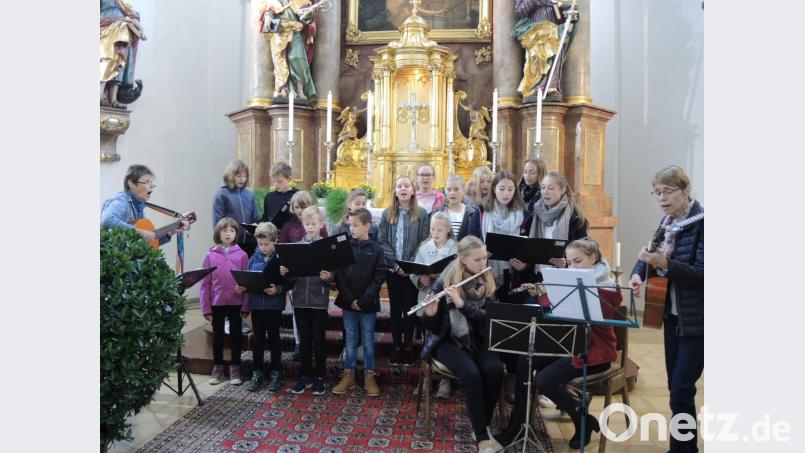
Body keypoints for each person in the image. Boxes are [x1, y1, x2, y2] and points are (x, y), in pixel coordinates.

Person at [498, 237, 622, 449]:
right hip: (571, 345)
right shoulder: (575, 280)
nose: (572, 267)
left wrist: (547, 295)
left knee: (546, 380)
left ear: (593, 258)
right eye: (570, 262)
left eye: (578, 261)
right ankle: (518, 423)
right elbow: (558, 315)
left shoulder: (607, 288)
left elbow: (574, 315)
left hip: (595, 353)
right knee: (524, 359)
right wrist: (541, 294)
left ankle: (582, 420)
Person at [629, 166, 703, 453]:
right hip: (673, 318)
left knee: (682, 388)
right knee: (677, 389)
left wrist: (665, 264)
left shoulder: (703, 223)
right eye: (657, 192)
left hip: (699, 319)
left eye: (668, 191)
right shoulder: (668, 222)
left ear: (686, 191)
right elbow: (651, 252)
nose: (661, 197)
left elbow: (703, 274)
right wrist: (639, 273)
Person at [420, 236, 505, 453]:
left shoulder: (487, 279)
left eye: (485, 258)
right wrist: (429, 313)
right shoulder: (445, 280)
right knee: (471, 374)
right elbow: (432, 324)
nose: (483, 264)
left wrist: (462, 305)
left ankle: (482, 425)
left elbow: (489, 318)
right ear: (462, 259)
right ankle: (483, 439)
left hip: (480, 337)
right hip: (448, 340)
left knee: (495, 369)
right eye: (478, 260)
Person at [332, 208, 387, 397]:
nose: (351, 228)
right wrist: (350, 299)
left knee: (368, 340)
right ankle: (349, 375)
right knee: (351, 339)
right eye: (349, 225)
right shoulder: (345, 246)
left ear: (367, 226)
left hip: (368, 303)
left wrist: (363, 300)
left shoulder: (377, 249)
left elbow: (380, 276)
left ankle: (369, 375)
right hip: (348, 302)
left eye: (355, 225)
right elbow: (339, 273)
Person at [378, 175, 430, 366]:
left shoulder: (422, 214)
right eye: (399, 186)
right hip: (393, 271)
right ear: (395, 191)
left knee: (409, 309)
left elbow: (424, 240)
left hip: (412, 272)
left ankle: (408, 346)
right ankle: (397, 346)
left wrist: (409, 266)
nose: (403, 189)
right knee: (395, 309)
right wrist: (395, 265)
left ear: (413, 190)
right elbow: (382, 241)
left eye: (406, 186)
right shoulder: (386, 213)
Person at [281, 206, 332, 395]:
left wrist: (329, 276)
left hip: (319, 301)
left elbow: (333, 272)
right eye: (307, 224)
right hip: (300, 300)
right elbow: (291, 277)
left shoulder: (326, 247)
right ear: (303, 224)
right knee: (304, 340)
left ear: (321, 224)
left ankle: (319, 376)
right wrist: (287, 273)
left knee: (319, 340)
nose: (310, 227)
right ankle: (305, 376)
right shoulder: (297, 247)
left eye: (314, 224)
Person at [237, 222, 290, 393]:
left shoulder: (282, 259)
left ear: (275, 241)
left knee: (274, 339)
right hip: (256, 305)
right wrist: (243, 287)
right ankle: (257, 373)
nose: (263, 248)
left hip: (274, 305)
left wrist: (278, 289)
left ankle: (276, 373)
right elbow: (249, 278)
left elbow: (289, 282)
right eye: (260, 244)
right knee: (258, 340)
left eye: (267, 244)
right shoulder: (254, 258)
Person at [410, 212, 458, 399]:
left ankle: (445, 381)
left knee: (445, 338)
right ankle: (427, 378)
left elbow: (460, 273)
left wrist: (441, 277)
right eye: (432, 229)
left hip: (447, 301)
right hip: (427, 298)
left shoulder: (455, 248)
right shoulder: (424, 247)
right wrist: (420, 280)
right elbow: (414, 270)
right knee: (427, 339)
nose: (436, 233)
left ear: (448, 229)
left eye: (440, 229)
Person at [511, 171, 588, 281]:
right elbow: (529, 249)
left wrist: (567, 264)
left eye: (551, 188)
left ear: (562, 190)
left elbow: (584, 255)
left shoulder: (575, 218)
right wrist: (525, 266)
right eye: (543, 188)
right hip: (537, 277)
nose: (545, 192)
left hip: (563, 279)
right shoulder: (534, 215)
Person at [200, 218, 250, 386]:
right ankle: (218, 366)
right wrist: (206, 308)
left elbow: (247, 281)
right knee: (218, 336)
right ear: (218, 233)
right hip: (217, 302)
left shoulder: (242, 255)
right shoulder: (210, 255)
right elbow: (205, 284)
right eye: (224, 230)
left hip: (236, 302)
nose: (228, 234)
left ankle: (235, 367)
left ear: (236, 234)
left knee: (236, 335)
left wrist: (245, 304)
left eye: (232, 231)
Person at [100, 164, 186, 245]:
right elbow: (107, 220)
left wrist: (171, 233)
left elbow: (147, 245)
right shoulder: (121, 202)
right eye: (147, 182)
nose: (152, 186)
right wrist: (141, 232)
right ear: (132, 183)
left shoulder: (139, 209)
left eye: (152, 183)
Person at [513, 0, 577, 99]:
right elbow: (520, 11)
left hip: (554, 24)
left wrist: (569, 11)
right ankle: (535, 87)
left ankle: (551, 85)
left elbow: (564, 7)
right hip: (536, 26)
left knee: (555, 53)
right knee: (537, 57)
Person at [260, 0, 318, 103]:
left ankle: (300, 89)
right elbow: (267, 11)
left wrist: (307, 13)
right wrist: (268, 15)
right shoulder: (273, 1)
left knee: (298, 57)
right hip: (279, 32)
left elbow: (307, 20)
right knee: (280, 61)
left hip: (295, 30)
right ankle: (282, 89)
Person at [100, 0, 145, 107]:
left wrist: (140, 30)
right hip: (106, 30)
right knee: (107, 60)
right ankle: (100, 93)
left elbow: (132, 16)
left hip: (122, 32)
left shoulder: (121, 2)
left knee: (120, 63)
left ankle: (113, 99)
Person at [213, 159, 260, 257]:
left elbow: (256, 218)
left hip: (250, 243)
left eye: (244, 176)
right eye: (238, 176)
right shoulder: (221, 195)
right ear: (230, 176)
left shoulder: (249, 195)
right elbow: (217, 223)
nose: (242, 179)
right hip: (231, 244)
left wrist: (256, 225)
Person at [261, 162, 299, 229]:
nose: (276, 184)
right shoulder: (269, 197)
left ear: (289, 179)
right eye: (274, 181)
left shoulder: (298, 195)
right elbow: (266, 218)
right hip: (273, 236)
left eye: (279, 181)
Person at [433, 174, 470, 241]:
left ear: (463, 190)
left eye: (456, 189)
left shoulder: (471, 213)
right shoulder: (438, 213)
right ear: (445, 190)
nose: (452, 193)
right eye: (449, 189)